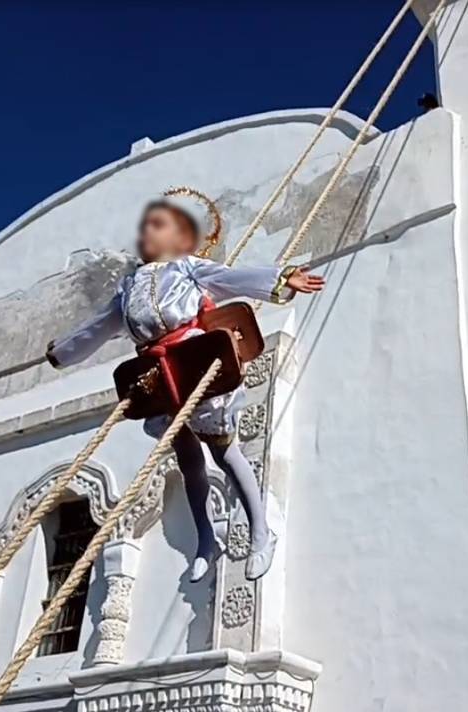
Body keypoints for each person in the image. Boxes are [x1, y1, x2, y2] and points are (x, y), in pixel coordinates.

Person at [46, 188, 324, 581]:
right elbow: (97, 327)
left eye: (158, 227)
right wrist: (63, 351)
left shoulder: (186, 267)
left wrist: (281, 279)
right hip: (159, 371)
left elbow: (231, 278)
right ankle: (205, 541)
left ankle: (260, 532)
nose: (147, 235)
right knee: (188, 459)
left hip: (195, 356)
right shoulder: (127, 289)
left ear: (179, 237)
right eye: (145, 229)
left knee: (225, 453)